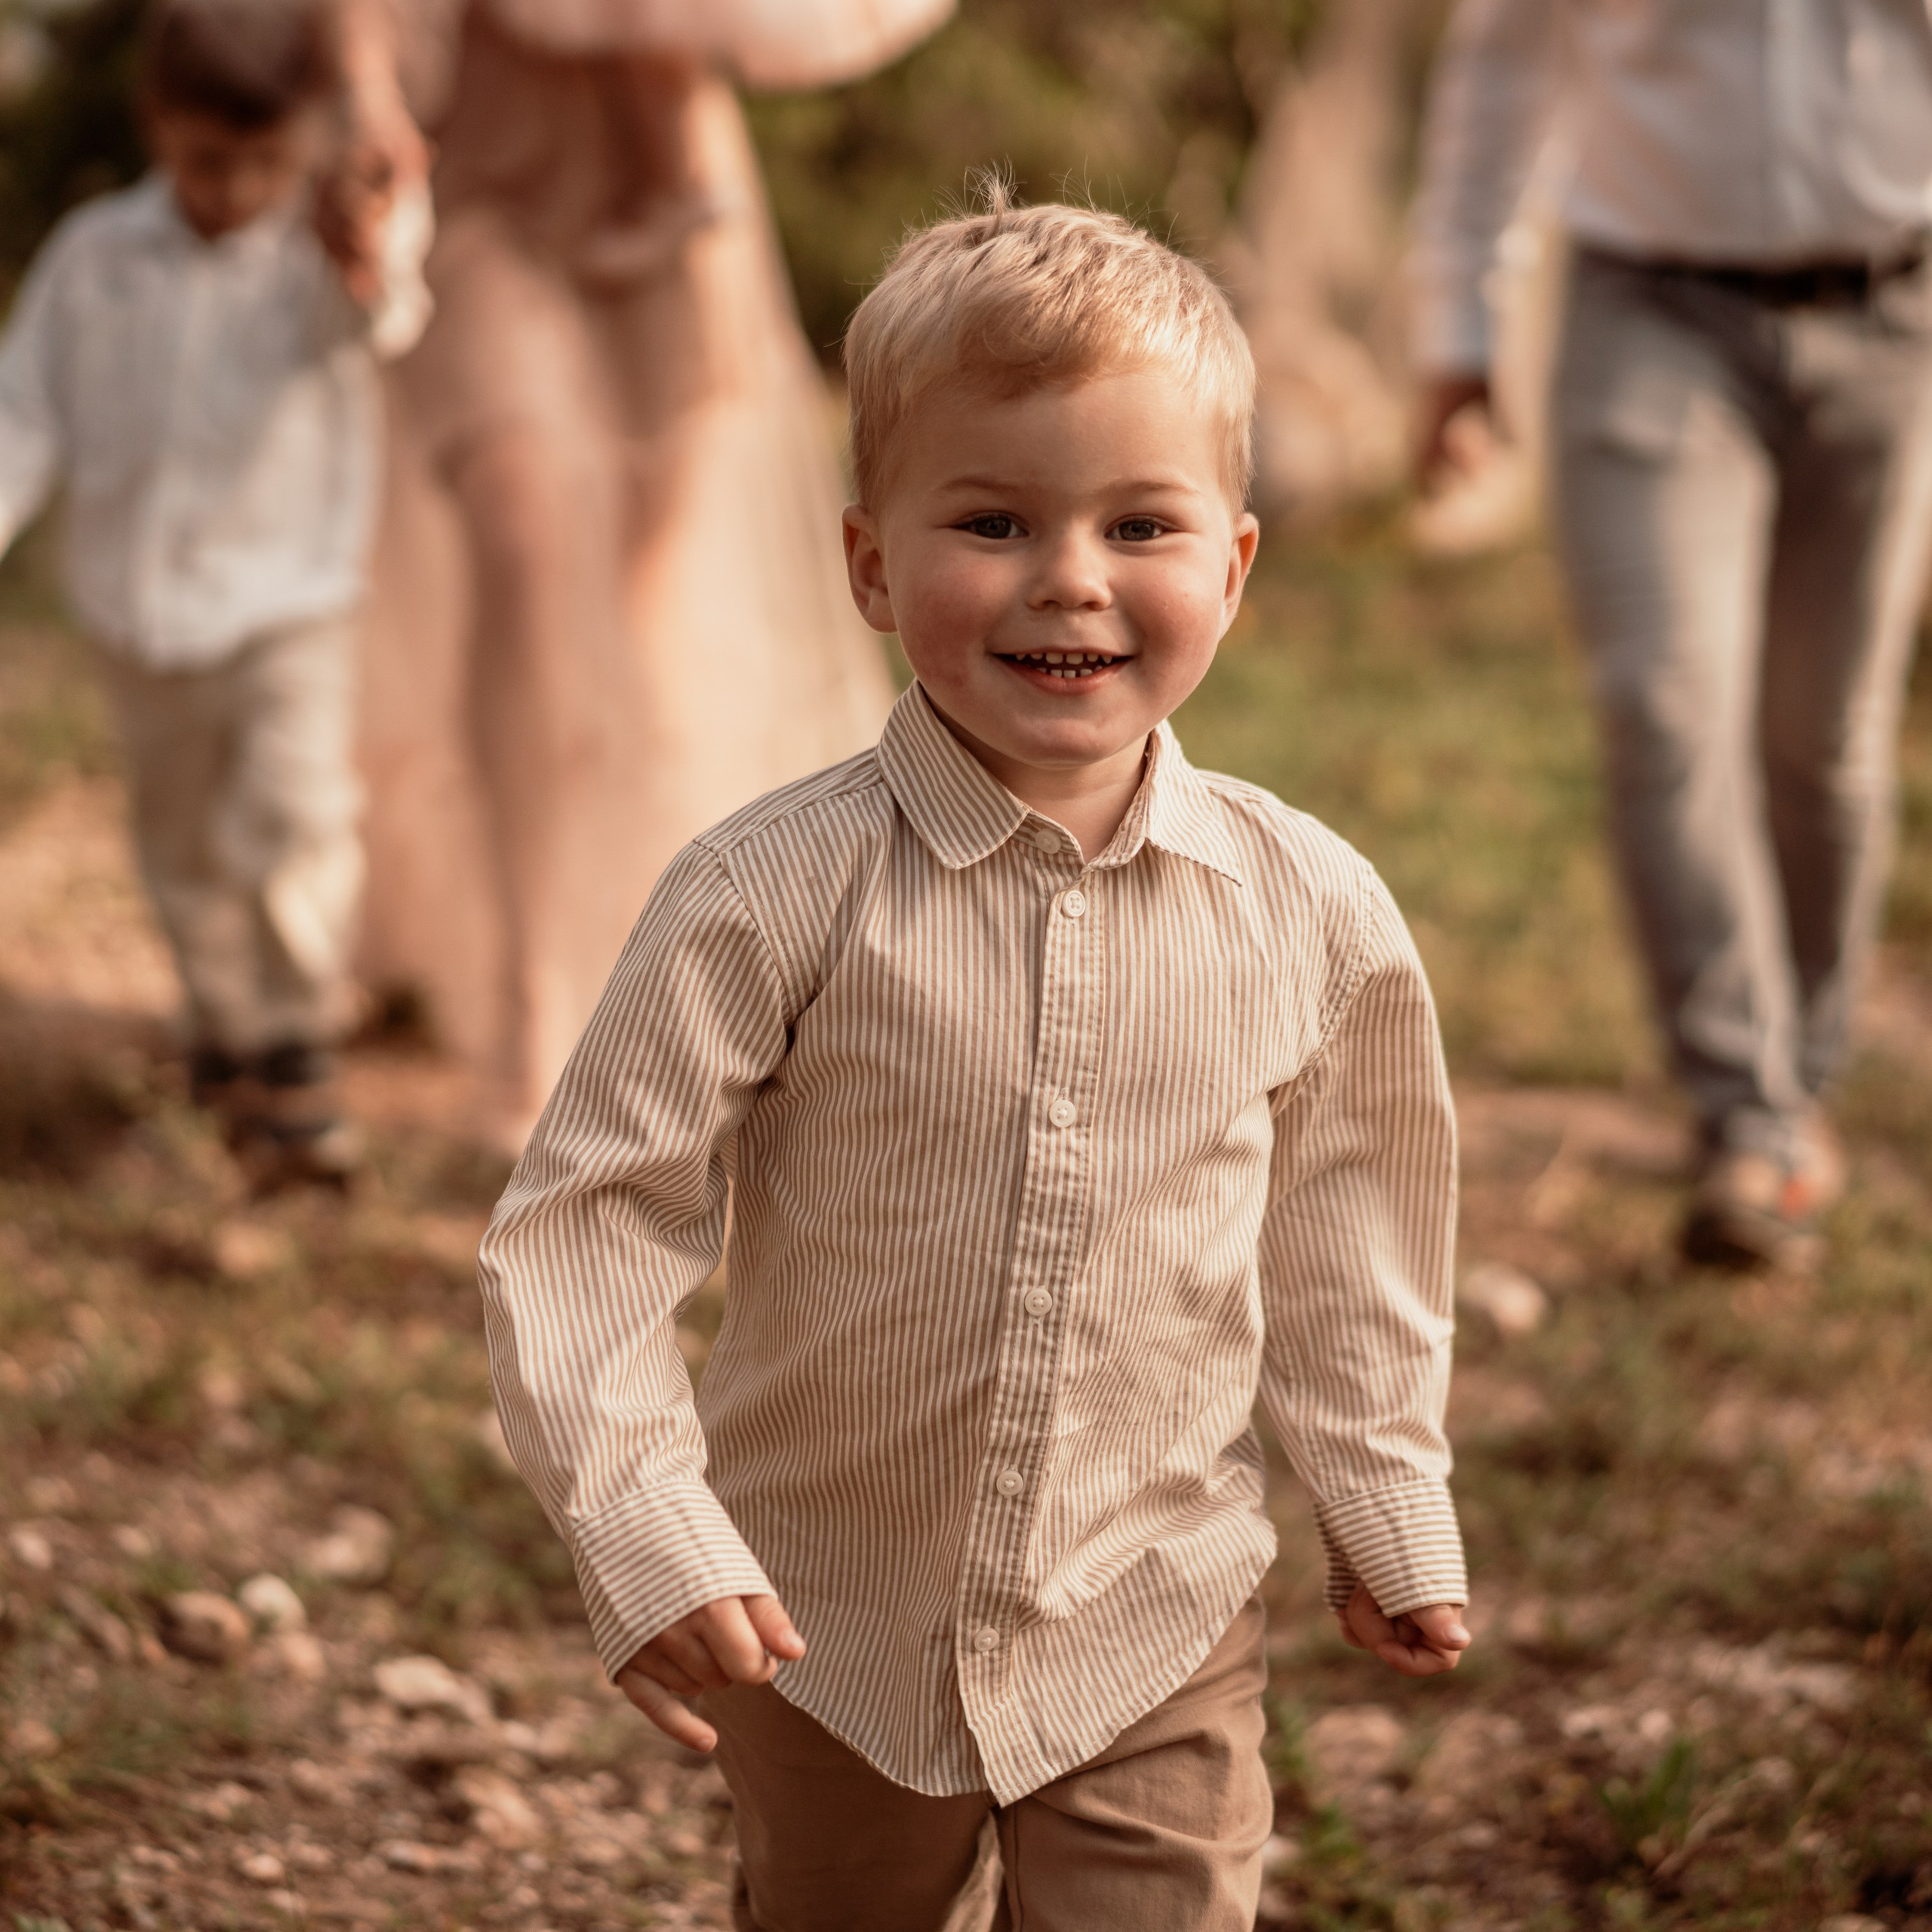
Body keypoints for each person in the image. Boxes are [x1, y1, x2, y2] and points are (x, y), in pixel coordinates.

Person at [479, 194, 1472, 1931]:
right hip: (823, 1626)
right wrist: (643, 1524)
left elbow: (1350, 1217)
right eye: (994, 518)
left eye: (1138, 522)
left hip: (1146, 1613)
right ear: (869, 562)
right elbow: (589, 1219)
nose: (1069, 576)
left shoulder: (1305, 907)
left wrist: (1381, 1486)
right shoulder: (765, 891)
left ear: (1231, 564)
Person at [339, 0, 946, 1151]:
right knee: (522, 538)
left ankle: (634, 968)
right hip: (473, 174)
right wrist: (365, 97)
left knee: (637, 607)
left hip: (659, 191)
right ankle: (527, 1001)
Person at [1410, 0, 1932, 1270]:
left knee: (1830, 739)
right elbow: (1501, 67)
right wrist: (1459, 327)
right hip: (1652, 317)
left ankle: (1794, 1084)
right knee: (1665, 704)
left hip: (1899, 320)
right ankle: (1743, 1114)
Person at [0, 0, 430, 1186]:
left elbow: (386, 307)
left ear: (300, 137)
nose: (236, 187)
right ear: (158, 126)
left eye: (262, 160)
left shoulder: (318, 252)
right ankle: (222, 1027)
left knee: (297, 819)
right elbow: (25, 407)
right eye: (208, 159)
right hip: (138, 610)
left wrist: (370, 229)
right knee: (180, 837)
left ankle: (295, 1039)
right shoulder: (96, 258)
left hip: (286, 602)